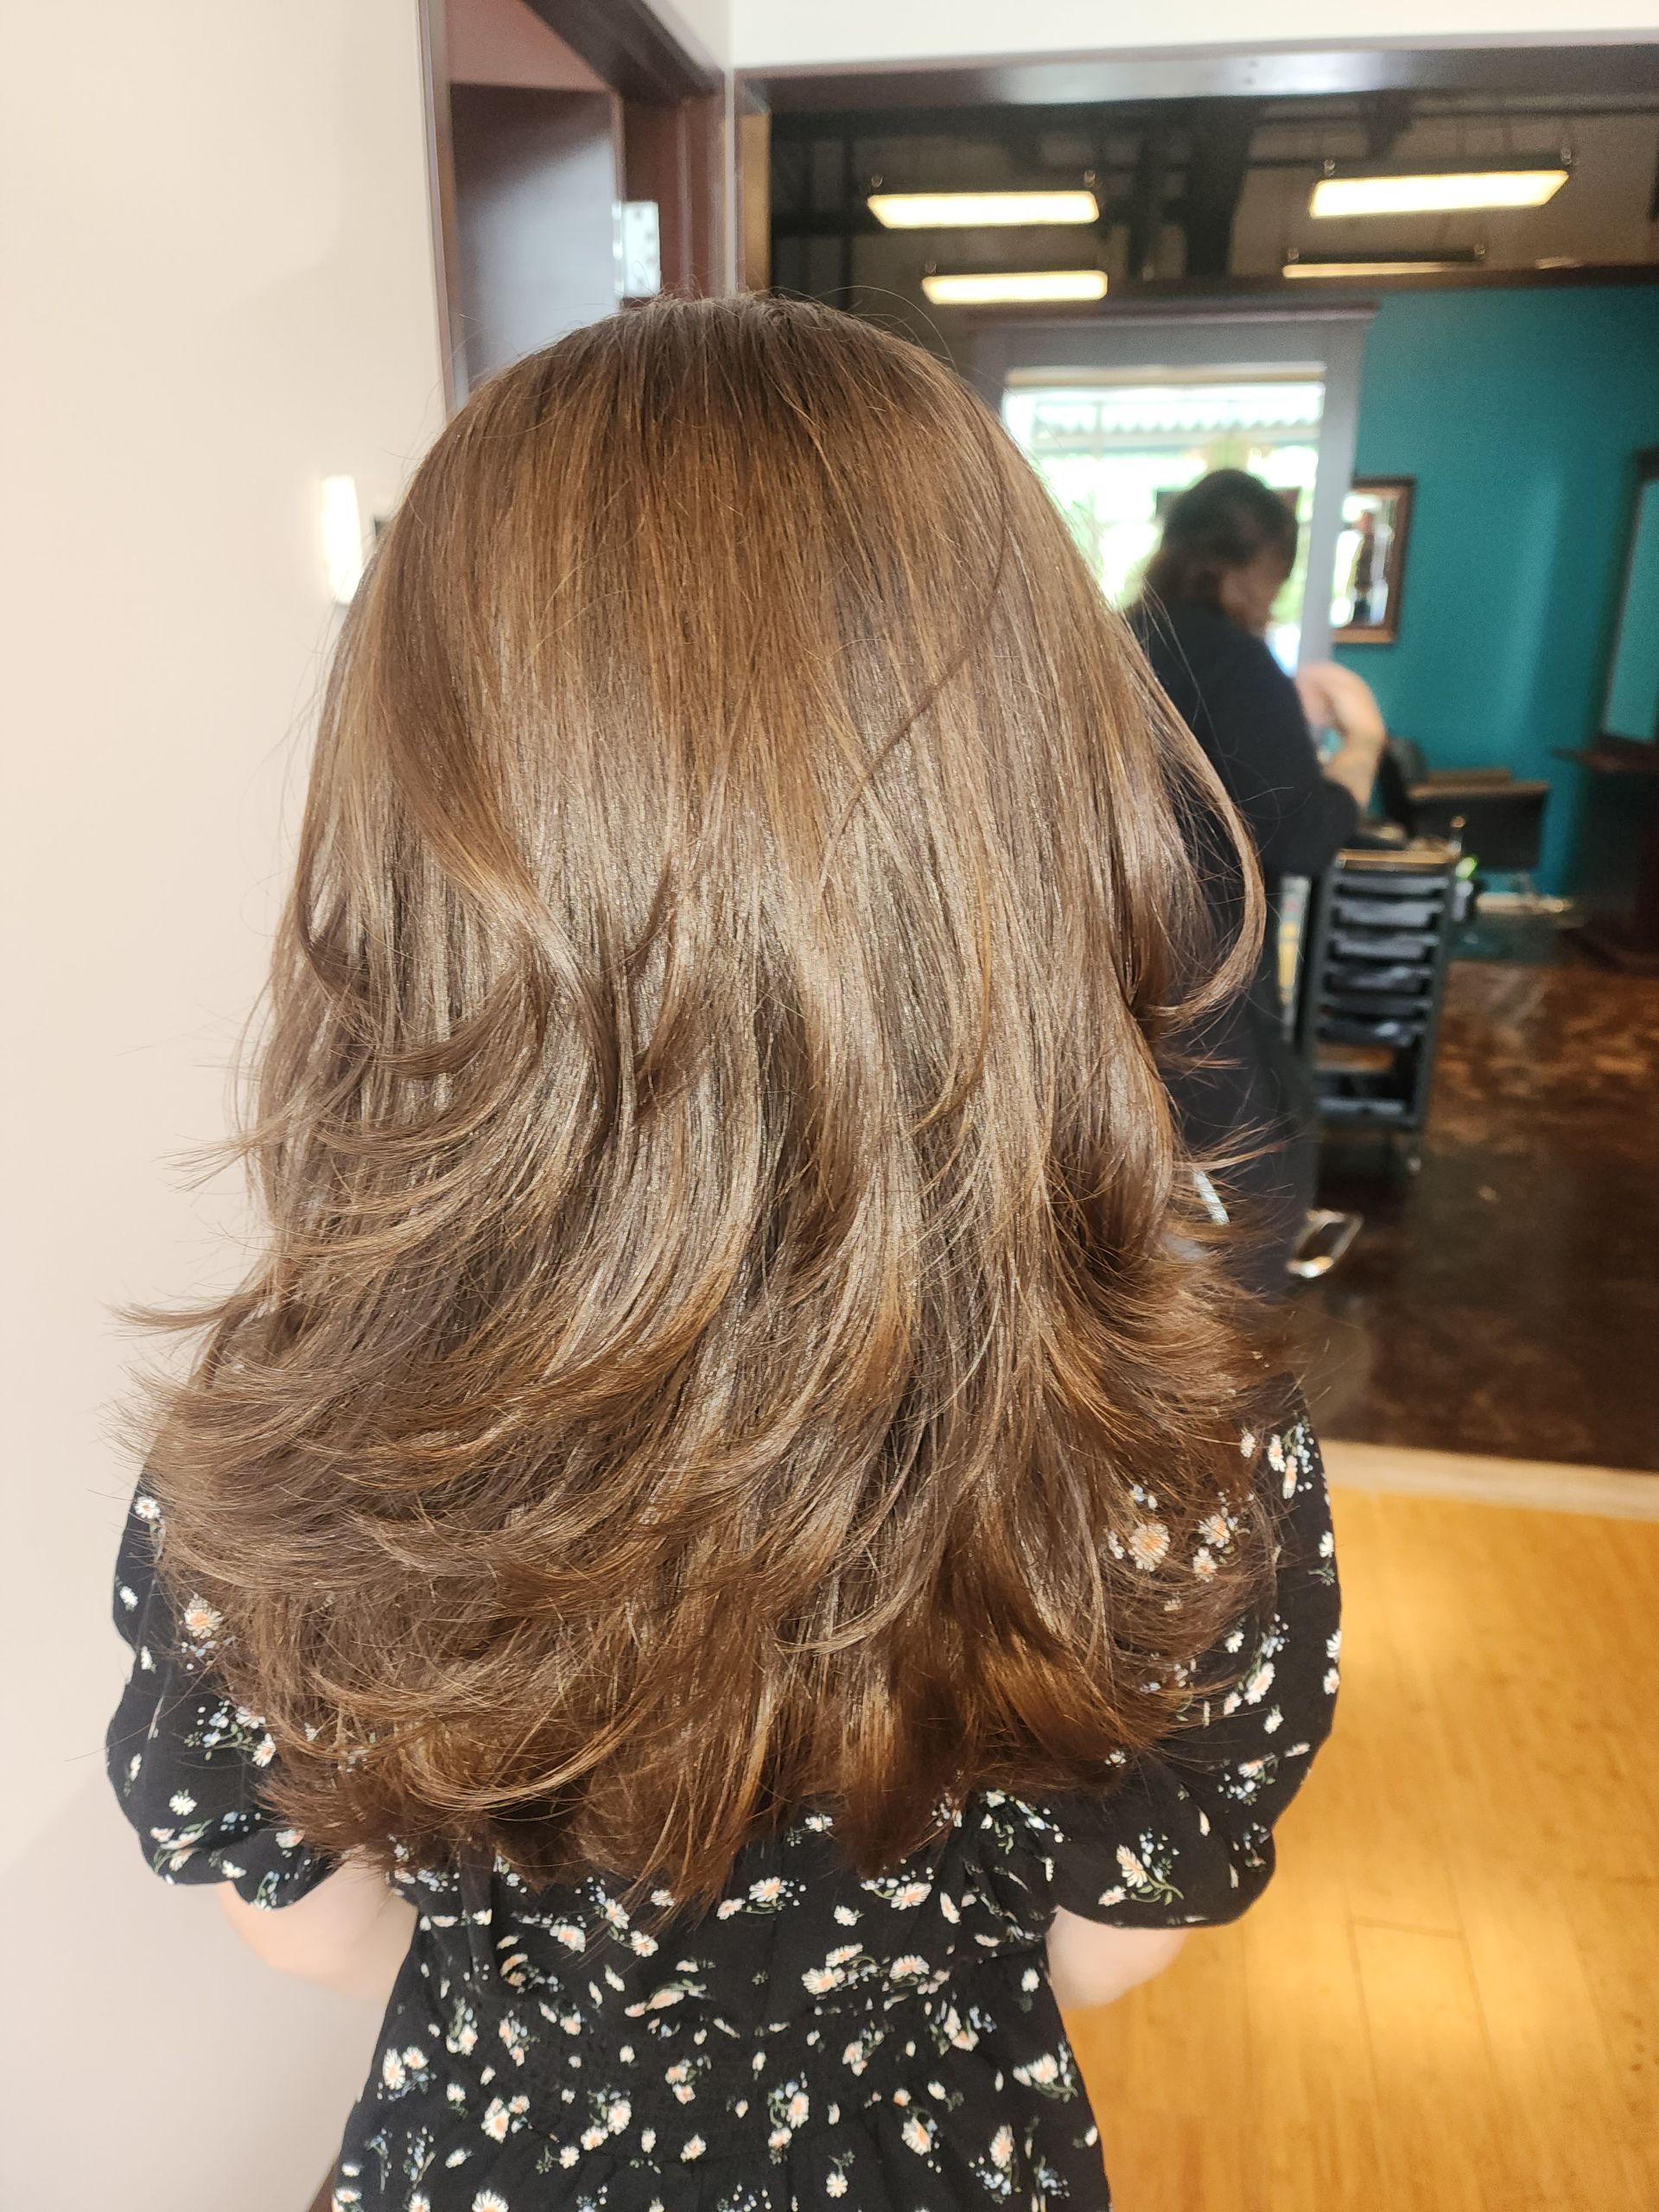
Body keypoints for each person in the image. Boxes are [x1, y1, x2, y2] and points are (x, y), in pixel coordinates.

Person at [107, 298, 1340, 2212]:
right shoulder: (1176, 1449)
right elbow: (1111, 1947)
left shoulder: (290, 1438)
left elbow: (304, 1920)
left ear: (416, 832)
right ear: (1035, 805)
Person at [1128, 468, 1388, 1294]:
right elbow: (1304, 835)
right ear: (1258, 567)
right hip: (1206, 988)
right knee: (1248, 1202)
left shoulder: (1105, 644)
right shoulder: (1238, 665)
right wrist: (1362, 745)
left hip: (1102, 977)